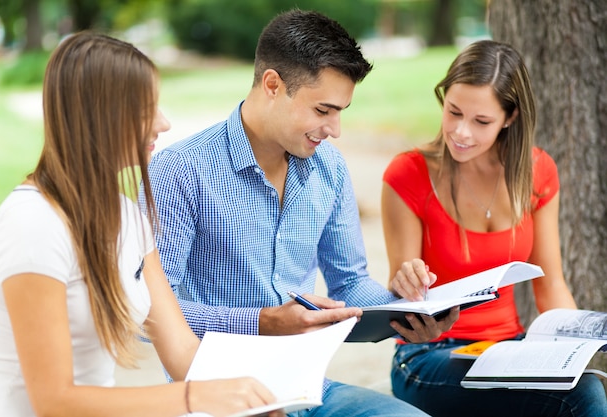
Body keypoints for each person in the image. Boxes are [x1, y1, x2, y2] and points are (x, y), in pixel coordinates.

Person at [143, 8, 456, 417]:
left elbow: (350, 283)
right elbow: (147, 313)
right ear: (273, 84)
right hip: (214, 397)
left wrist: (404, 308)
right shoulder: (179, 171)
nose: (335, 129)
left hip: (307, 390)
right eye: (323, 111)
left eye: (341, 111)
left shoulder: (330, 167)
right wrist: (262, 321)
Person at [0, 31, 281, 417]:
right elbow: (54, 401)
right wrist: (193, 398)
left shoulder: (128, 216)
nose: (164, 123)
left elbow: (183, 352)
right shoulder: (33, 225)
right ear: (98, 117)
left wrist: (265, 389)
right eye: (146, 110)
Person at [381, 39, 607, 417]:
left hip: (508, 350)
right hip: (428, 355)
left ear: (511, 117)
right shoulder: (410, 174)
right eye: (453, 112)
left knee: (583, 385)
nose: (461, 132)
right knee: (581, 399)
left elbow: (551, 285)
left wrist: (574, 350)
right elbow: (404, 302)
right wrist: (407, 284)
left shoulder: (537, 173)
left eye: (481, 121)